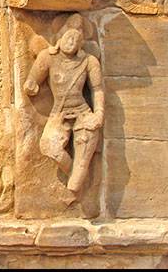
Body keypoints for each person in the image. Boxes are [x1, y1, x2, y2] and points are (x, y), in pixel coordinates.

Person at [23, 14, 105, 202]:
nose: (72, 42)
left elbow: (98, 89)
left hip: (83, 113)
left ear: (81, 43)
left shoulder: (89, 61)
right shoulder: (47, 57)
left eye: (76, 39)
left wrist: (98, 114)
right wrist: (30, 85)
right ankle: (73, 170)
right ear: (59, 38)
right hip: (58, 113)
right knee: (49, 146)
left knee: (77, 178)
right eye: (69, 37)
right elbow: (33, 80)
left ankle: (79, 175)